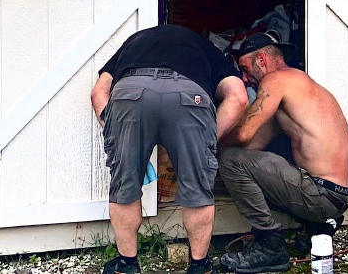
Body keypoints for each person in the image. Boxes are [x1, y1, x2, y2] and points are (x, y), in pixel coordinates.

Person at [92, 24, 248, 274]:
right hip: (189, 95)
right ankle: (200, 267)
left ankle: (126, 265)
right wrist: (206, 140)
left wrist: (117, 134)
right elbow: (239, 97)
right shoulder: (206, 47)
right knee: (197, 187)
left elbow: (99, 91)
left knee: (125, 184)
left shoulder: (134, 43)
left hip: (131, 93)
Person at [218, 32, 348, 274]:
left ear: (261, 59)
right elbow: (252, 145)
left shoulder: (276, 80)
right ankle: (318, 226)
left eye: (245, 69)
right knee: (239, 162)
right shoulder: (298, 85)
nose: (244, 79)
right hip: (335, 196)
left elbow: (242, 135)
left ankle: (269, 246)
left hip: (321, 194)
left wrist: (213, 143)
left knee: (230, 161)